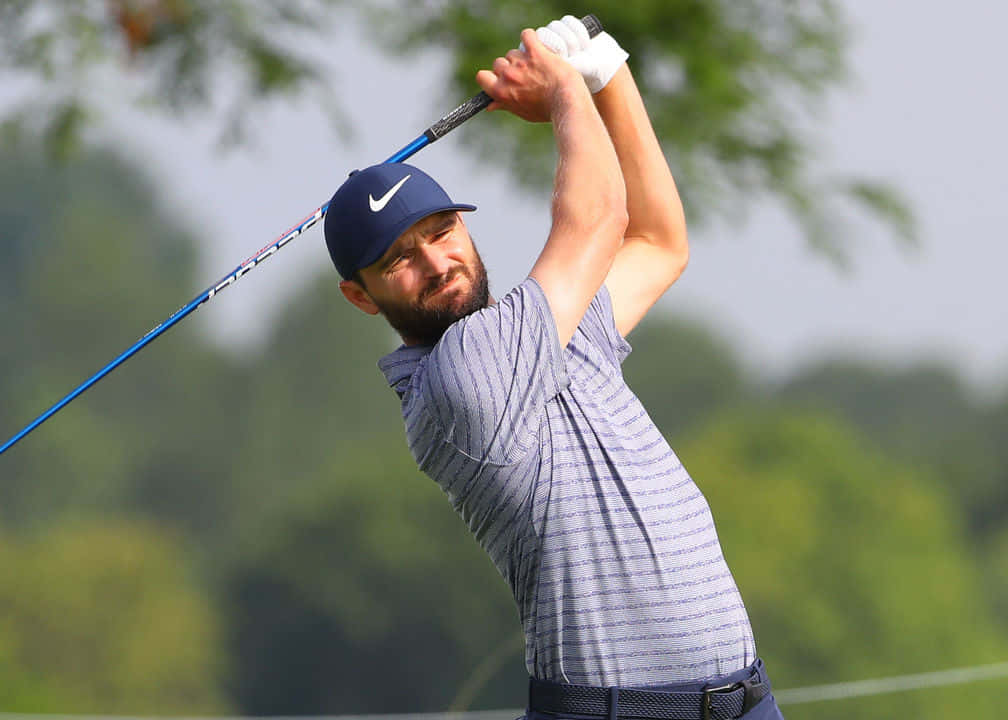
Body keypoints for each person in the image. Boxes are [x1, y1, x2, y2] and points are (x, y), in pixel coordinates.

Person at [322, 15, 783, 720]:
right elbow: (596, 220)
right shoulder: (460, 380)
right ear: (361, 296)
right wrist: (565, 89)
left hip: (744, 700)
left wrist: (608, 74)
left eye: (442, 231)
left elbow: (658, 242)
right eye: (399, 260)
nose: (437, 263)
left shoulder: (545, 336)